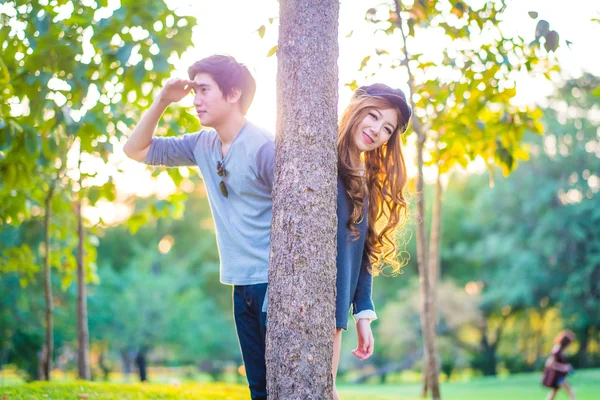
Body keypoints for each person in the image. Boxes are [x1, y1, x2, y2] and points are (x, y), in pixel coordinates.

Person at [123, 54, 274, 400]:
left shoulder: (264, 147)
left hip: (274, 283)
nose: (195, 100)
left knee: (286, 382)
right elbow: (135, 150)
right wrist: (162, 100)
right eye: (195, 91)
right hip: (240, 282)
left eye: (204, 90)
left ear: (233, 94)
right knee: (259, 390)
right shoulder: (201, 143)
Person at [332, 83, 412, 399]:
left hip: (333, 312)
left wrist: (362, 312)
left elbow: (364, 247)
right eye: (373, 116)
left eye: (387, 128)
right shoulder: (317, 160)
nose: (377, 130)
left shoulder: (365, 181)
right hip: (289, 298)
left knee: (323, 390)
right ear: (356, 109)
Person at [543, 330, 576, 400]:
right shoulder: (557, 349)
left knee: (553, 393)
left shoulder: (562, 350)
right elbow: (550, 363)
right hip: (557, 377)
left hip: (560, 376)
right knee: (571, 391)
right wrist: (563, 367)